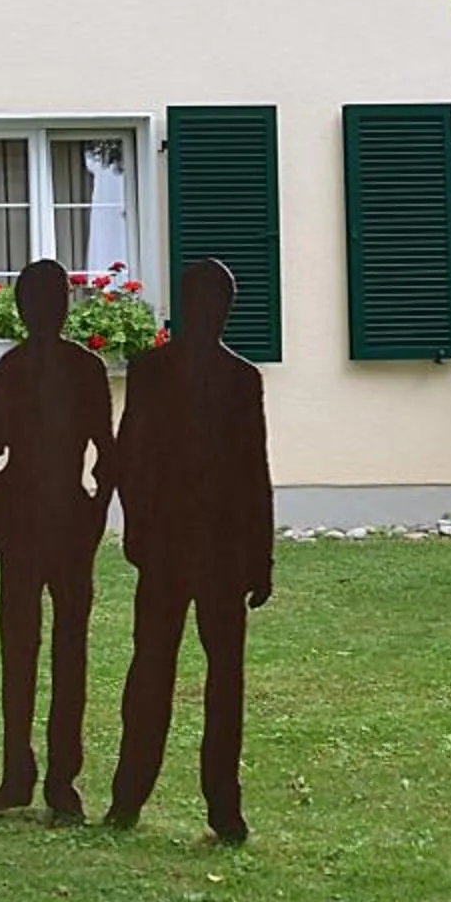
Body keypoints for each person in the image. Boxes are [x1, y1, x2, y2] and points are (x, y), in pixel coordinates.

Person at [105, 256, 274, 846]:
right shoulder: (153, 372)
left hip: (221, 551)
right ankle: (129, 795)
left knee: (222, 682)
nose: (212, 313)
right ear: (189, 305)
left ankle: (222, 808)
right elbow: (130, 458)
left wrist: (262, 555)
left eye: (220, 303)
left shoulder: (240, 378)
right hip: (170, 546)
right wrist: (137, 527)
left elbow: (255, 471)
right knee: (151, 671)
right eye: (205, 301)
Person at [0, 258, 115, 823]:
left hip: (66, 518)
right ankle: (19, 772)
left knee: (68, 652)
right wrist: (0, 523)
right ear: (25, 308)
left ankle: (62, 778)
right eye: (40, 299)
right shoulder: (7, 373)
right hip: (25, 522)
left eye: (58, 298)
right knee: (20, 652)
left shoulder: (86, 370)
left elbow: (107, 455)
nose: (49, 309)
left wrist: (93, 517)